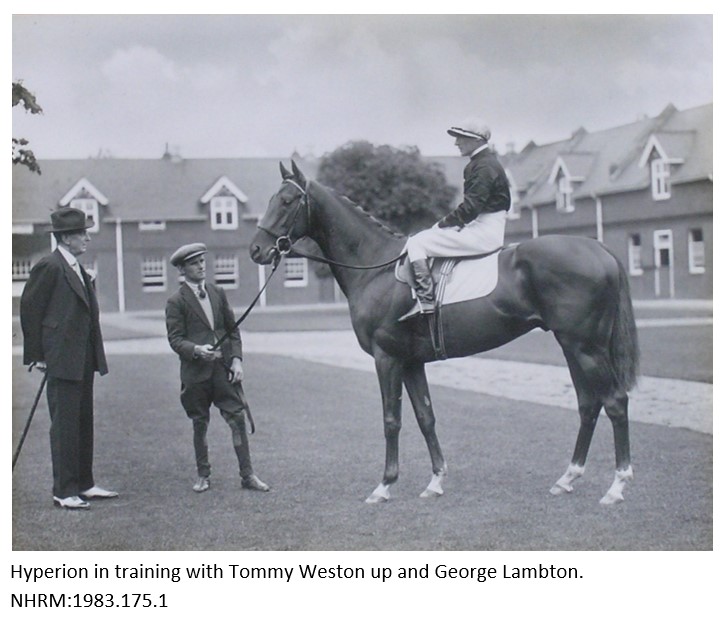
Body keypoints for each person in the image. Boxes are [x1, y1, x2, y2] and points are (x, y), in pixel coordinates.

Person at [20, 207, 118, 510]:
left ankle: (84, 484)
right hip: (61, 358)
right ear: (66, 237)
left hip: (82, 358)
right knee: (64, 425)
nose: (87, 238)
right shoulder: (49, 266)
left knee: (82, 421)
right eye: (82, 233)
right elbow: (30, 310)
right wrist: (37, 355)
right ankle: (64, 491)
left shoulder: (76, 267)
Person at [165, 243, 269, 494]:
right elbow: (175, 340)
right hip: (195, 375)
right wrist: (197, 350)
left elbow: (232, 330)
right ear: (182, 269)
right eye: (193, 263)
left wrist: (237, 360)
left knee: (237, 419)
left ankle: (248, 475)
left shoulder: (217, 292)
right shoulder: (176, 301)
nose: (201, 266)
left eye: (202, 261)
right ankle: (203, 475)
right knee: (199, 423)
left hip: (223, 371)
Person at [399, 119, 512, 320]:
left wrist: (441, 225)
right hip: (481, 227)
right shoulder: (482, 163)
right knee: (426, 237)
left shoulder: (484, 166)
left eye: (461, 138)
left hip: (484, 233)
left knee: (417, 242)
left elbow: (470, 209)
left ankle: (425, 300)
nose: (456, 143)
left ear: (476, 140)